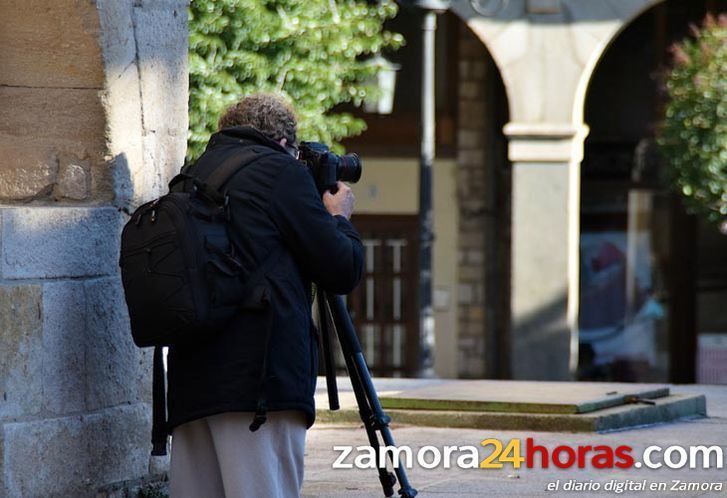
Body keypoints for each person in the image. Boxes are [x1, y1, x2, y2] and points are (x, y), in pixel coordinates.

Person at [166, 93, 364, 497]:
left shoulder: (192, 175)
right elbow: (341, 268)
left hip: (192, 387)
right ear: (285, 143)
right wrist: (339, 218)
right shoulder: (278, 173)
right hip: (259, 387)